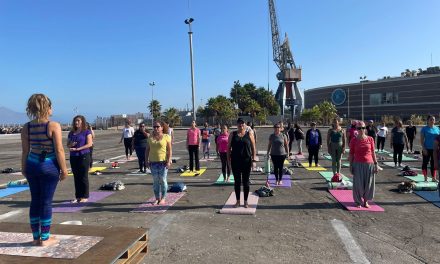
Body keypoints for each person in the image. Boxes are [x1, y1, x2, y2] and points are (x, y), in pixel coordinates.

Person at [21, 94, 68, 246]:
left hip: (31, 165)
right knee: (46, 202)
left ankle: (36, 237)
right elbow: (59, 150)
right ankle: (45, 239)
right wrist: (64, 169)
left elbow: (25, 151)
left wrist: (24, 168)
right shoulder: (53, 125)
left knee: (35, 201)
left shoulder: (26, 127)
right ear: (47, 108)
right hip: (49, 166)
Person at [227, 118, 256, 208]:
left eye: (242, 124)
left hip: (246, 161)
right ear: (237, 125)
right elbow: (228, 149)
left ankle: (246, 201)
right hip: (235, 161)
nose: (241, 125)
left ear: (245, 125)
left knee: (246, 182)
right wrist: (228, 161)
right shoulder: (233, 134)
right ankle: (238, 201)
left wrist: (253, 160)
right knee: (237, 182)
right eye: (239, 124)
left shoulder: (249, 134)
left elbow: (253, 147)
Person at [349, 121, 379, 208]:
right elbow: (351, 154)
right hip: (357, 164)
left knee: (368, 184)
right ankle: (358, 202)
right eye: (359, 128)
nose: (361, 130)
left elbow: (373, 153)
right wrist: (351, 165)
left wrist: (376, 164)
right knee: (358, 184)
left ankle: (365, 201)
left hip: (369, 164)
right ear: (356, 129)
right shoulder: (354, 140)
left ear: (365, 129)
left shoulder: (370, 139)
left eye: (363, 128)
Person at [68, 115, 93, 203]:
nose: (76, 122)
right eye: (75, 121)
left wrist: (78, 149)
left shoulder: (87, 132)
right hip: (73, 156)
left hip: (84, 155)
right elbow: (68, 144)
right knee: (76, 176)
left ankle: (85, 196)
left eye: (78, 120)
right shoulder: (71, 133)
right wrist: (71, 145)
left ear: (82, 122)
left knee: (83, 176)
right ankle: (78, 196)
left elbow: (89, 144)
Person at [145, 121, 172, 205]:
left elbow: (169, 150)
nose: (156, 128)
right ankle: (157, 198)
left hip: (163, 162)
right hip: (153, 162)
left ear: (162, 127)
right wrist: (146, 161)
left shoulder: (166, 137)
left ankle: (163, 198)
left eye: (157, 126)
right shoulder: (150, 137)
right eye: (154, 127)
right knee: (156, 181)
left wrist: (169, 160)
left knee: (163, 180)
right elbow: (147, 150)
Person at [420, 115, 440, 182]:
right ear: (428, 121)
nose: (432, 121)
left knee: (434, 163)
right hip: (427, 149)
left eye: (433, 119)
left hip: (435, 149)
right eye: (431, 119)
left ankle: (433, 178)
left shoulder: (437, 129)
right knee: (425, 163)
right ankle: (425, 178)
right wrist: (423, 148)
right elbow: (422, 140)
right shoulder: (424, 129)